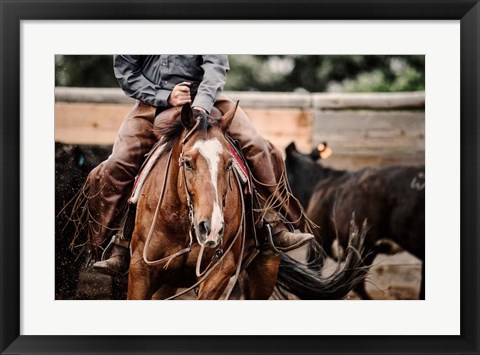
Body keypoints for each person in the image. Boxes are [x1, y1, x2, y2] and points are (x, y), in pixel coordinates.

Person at [87, 55, 313, 276]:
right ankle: (113, 243)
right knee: (118, 163)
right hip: (150, 104)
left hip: (208, 100)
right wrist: (165, 96)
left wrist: (202, 103)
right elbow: (127, 72)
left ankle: (272, 224)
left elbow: (216, 64)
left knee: (256, 145)